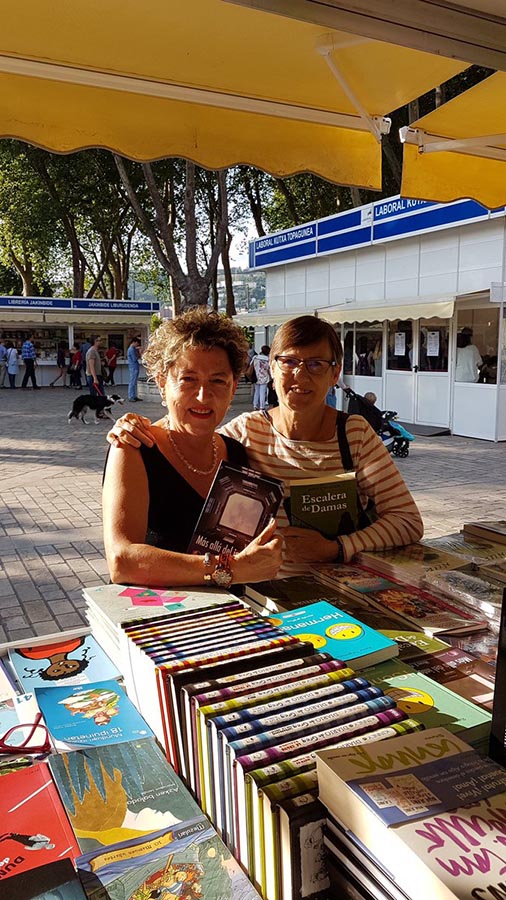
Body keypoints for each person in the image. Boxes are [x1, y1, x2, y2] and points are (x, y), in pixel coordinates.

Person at [108, 314, 423, 573]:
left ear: (335, 373)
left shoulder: (352, 434)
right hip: (261, 595)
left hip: (342, 587)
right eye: (288, 362)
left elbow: (407, 520)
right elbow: (190, 429)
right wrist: (132, 427)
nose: (300, 375)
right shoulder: (245, 433)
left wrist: (337, 548)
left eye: (316, 364)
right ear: (271, 369)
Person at [103, 308, 283, 587]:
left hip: (232, 609)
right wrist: (229, 569)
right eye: (188, 379)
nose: (203, 396)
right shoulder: (134, 447)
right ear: (162, 383)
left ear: (233, 388)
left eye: (218, 381)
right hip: (160, 611)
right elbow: (122, 560)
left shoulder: (236, 453)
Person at [252, 344, 271, 411]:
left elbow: (252, 365)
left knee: (256, 391)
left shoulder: (255, 357)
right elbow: (268, 369)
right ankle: (262, 406)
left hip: (256, 376)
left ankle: (255, 405)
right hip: (264, 377)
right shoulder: (267, 360)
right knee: (262, 392)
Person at [127, 336, 142, 402]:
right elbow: (135, 359)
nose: (137, 345)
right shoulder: (131, 350)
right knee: (132, 382)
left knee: (134, 382)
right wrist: (139, 353)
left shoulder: (131, 349)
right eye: (137, 343)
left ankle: (133, 395)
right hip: (134, 367)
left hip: (133, 367)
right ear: (134, 342)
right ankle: (131, 396)